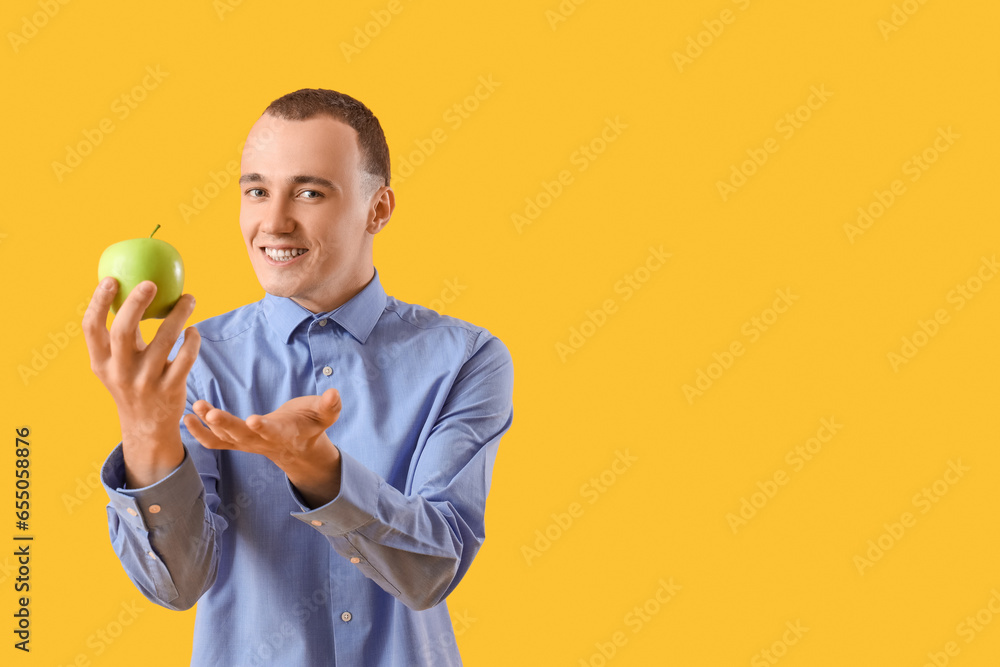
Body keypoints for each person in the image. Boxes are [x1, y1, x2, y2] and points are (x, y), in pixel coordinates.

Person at [83, 88, 514, 666]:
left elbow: (431, 571)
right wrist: (145, 432)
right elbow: (177, 585)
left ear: (378, 210)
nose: (274, 222)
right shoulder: (195, 361)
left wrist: (315, 467)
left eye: (309, 192)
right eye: (257, 191)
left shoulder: (464, 358)